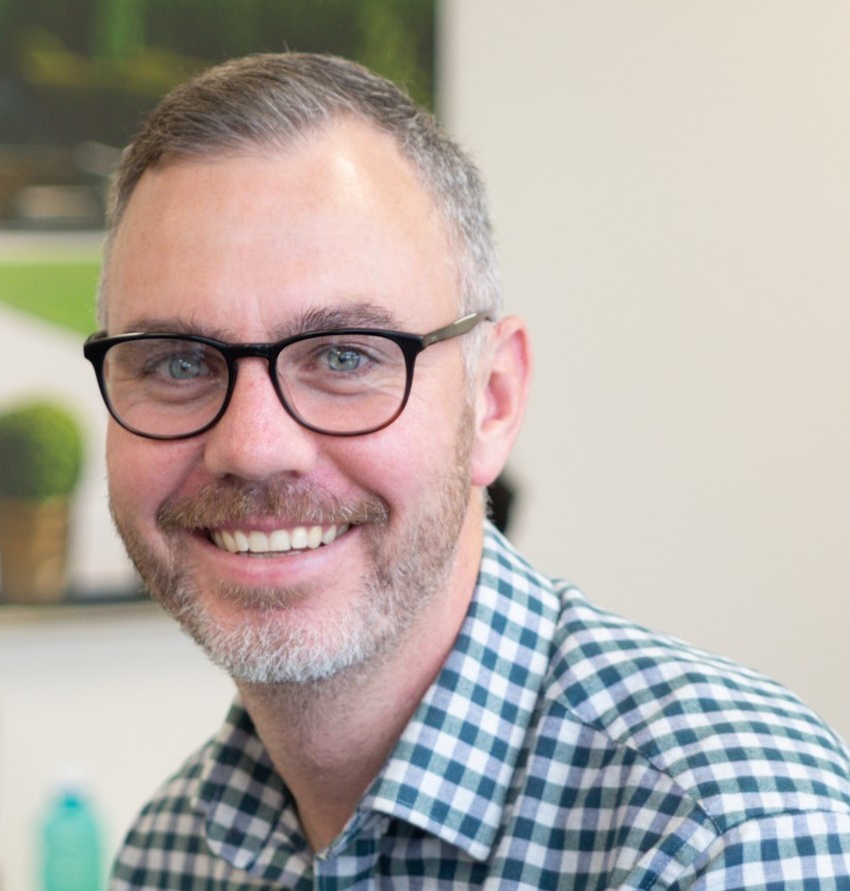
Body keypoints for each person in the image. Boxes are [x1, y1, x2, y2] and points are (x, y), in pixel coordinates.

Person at [84, 53, 850, 889]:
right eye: (178, 362)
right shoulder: (169, 853)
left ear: (492, 400)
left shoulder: (723, 836)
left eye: (343, 355)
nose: (254, 446)